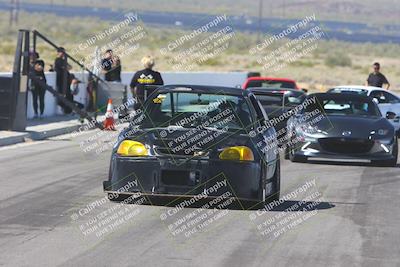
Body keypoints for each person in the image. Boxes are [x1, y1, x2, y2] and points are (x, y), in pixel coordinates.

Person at [54, 47, 69, 112]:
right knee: (60, 94)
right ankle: (62, 106)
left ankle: (65, 108)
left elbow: (69, 67)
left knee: (65, 94)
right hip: (60, 79)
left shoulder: (63, 60)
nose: (63, 54)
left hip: (64, 80)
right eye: (62, 52)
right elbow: (64, 67)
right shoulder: (58, 60)